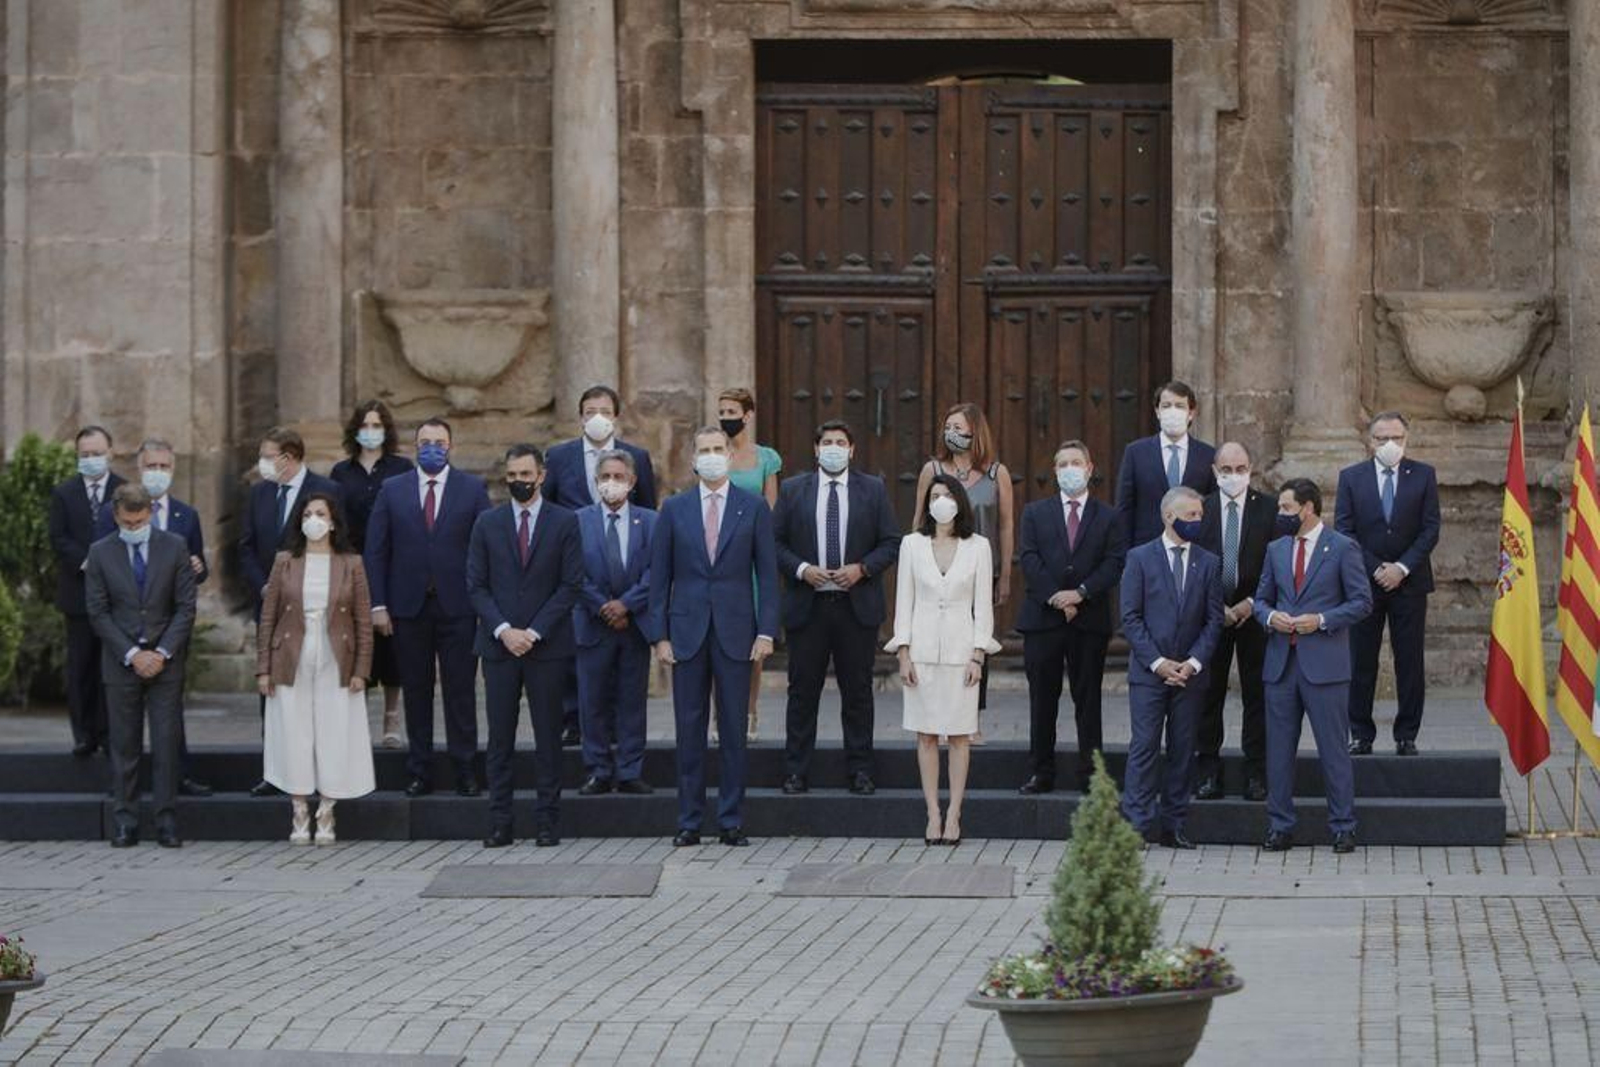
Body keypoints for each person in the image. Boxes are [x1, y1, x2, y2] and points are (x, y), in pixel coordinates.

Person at [645, 426, 778, 848]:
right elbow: (659, 577)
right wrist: (659, 636)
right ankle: (689, 820)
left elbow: (768, 575)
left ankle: (730, 820)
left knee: (734, 730)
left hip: (736, 632)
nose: (712, 456)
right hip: (686, 632)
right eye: (705, 450)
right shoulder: (674, 509)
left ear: (730, 456)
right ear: (693, 459)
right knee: (689, 729)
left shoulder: (753, 507)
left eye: (719, 449)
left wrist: (766, 631)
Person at [772, 420, 901, 795]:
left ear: (852, 449)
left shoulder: (873, 489)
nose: (833, 448)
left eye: (840, 442)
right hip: (807, 606)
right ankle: (796, 771)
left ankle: (860, 770)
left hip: (854, 608)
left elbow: (891, 542)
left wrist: (862, 569)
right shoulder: (793, 490)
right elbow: (774, 541)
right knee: (802, 692)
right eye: (826, 442)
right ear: (816, 449)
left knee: (858, 693)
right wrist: (802, 569)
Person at [365, 417, 491, 798]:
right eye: (425, 442)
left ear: (450, 446)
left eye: (439, 442)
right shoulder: (393, 489)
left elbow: (486, 546)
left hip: (459, 607)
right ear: (414, 445)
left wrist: (483, 601)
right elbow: (376, 550)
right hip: (408, 608)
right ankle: (419, 770)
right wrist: (378, 604)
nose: (432, 448)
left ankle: (465, 769)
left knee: (460, 691)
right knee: (416, 691)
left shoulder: (472, 489)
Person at [468, 445, 584, 848]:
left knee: (549, 738)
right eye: (512, 475)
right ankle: (500, 822)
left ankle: (547, 821)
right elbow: (476, 586)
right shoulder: (487, 523)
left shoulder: (565, 522)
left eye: (525, 474)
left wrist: (533, 632)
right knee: (500, 739)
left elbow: (570, 584)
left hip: (546, 647)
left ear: (541, 476)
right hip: (498, 647)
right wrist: (504, 630)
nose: (518, 481)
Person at [1253, 478, 1372, 853]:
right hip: (1281, 666)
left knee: (1333, 750)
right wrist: (1270, 617)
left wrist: (1320, 620)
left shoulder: (1342, 547)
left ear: (1307, 509)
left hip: (1325, 667)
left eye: (1286, 508)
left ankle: (1343, 826)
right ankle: (1279, 826)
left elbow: (1361, 602)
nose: (1280, 514)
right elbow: (1261, 600)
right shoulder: (1276, 549)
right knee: (1278, 751)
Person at [92, 439, 213, 797]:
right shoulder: (111, 514)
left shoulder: (185, 515)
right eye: (151, 466)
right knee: (124, 724)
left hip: (168, 632)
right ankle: (123, 793)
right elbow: (103, 567)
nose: (157, 472)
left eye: (164, 466)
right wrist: (130, 650)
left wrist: (196, 568)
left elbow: (196, 571)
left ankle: (176, 779)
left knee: (168, 719)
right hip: (125, 635)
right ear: (139, 467)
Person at [886, 475, 1000, 847]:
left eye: (947, 494)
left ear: (959, 500)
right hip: (921, 652)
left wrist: (978, 655)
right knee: (926, 735)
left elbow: (982, 606)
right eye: (935, 495)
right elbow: (904, 600)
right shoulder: (911, 544)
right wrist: (903, 652)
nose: (941, 501)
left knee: (960, 735)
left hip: (961, 652)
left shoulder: (978, 546)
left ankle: (954, 814)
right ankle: (933, 812)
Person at [256, 492, 376, 845]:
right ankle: (298, 808)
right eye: (308, 513)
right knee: (294, 731)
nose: (314, 520)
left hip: (336, 656)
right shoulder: (285, 561)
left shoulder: (351, 563)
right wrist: (264, 669)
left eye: (321, 514)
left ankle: (327, 807)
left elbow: (363, 621)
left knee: (334, 730)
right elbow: (268, 617)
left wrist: (361, 669)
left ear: (333, 522)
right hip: (290, 654)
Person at [543, 385, 658, 747]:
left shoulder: (636, 456)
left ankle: (618, 733)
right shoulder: (559, 456)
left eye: (605, 411)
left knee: (626, 669)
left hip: (627, 578)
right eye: (590, 411)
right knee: (575, 651)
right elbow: (548, 508)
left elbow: (648, 509)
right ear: (580, 416)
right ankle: (573, 721)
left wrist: (631, 599)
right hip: (579, 573)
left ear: (616, 416)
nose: (598, 418)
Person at [84, 484, 197, 848]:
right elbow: (98, 612)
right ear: (116, 517)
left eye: (140, 521)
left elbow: (185, 607)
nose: (134, 527)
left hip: (166, 662)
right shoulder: (100, 553)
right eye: (127, 523)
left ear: (150, 513)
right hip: (121, 664)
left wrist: (161, 652)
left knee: (165, 744)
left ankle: (166, 821)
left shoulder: (175, 546)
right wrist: (133, 654)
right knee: (124, 745)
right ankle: (125, 821)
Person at [1016, 441, 1127, 793]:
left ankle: (1091, 774)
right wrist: (1056, 596)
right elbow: (1029, 558)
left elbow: (1114, 562)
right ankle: (1041, 772)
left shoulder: (1109, 516)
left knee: (1088, 700)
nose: (1069, 469)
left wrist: (1080, 593)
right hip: (1042, 619)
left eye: (1076, 462)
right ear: (1054, 470)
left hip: (1088, 619)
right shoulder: (1034, 513)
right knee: (1042, 700)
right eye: (1062, 464)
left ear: (1089, 468)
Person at [1119, 487, 1224, 849]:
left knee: (1183, 749)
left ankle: (1174, 824)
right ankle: (1136, 825)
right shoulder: (1139, 558)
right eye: (1191, 515)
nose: (1198, 521)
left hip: (1190, 676)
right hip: (1149, 673)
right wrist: (1159, 663)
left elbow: (1214, 620)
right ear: (1169, 516)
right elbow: (1130, 617)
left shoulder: (1208, 562)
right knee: (1144, 747)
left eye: (1200, 515)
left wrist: (1192, 663)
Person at [238, 425, 340, 796]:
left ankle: (317, 771)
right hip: (271, 609)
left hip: (315, 608)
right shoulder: (259, 493)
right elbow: (246, 546)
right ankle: (276, 772)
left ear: (290, 457)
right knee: (274, 692)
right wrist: (264, 586)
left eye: (268, 456)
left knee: (315, 692)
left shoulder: (327, 491)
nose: (262, 463)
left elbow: (342, 545)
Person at [1336, 411, 1441, 756]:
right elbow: (1344, 530)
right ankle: (1360, 734)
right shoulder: (1351, 477)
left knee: (1409, 661)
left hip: (1409, 584)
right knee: (1360, 661)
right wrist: (1377, 568)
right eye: (1382, 438)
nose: (1390, 444)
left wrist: (1402, 568)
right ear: (1371, 441)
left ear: (1406, 439)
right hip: (1365, 585)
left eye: (1396, 437)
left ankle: (1407, 734)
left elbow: (1430, 529)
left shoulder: (1423, 475)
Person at [913, 403, 1014, 734]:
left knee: (975, 643)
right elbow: (919, 519)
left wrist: (1005, 575)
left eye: (958, 427)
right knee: (937, 640)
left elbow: (1005, 525)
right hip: (939, 568)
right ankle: (938, 719)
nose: (951, 433)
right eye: (948, 427)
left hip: (980, 572)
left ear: (975, 431)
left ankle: (971, 720)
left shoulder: (996, 473)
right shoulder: (932, 469)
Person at [1192, 442, 1277, 801]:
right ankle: (1208, 772)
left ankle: (1256, 773)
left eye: (1240, 469)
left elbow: (1276, 564)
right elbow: (1195, 563)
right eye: (1226, 470)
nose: (1233, 475)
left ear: (1251, 469)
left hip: (1255, 615)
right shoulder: (1201, 509)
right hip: (1213, 617)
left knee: (1257, 694)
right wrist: (1218, 608)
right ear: (1215, 471)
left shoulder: (1269, 509)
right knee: (1208, 694)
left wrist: (1250, 604)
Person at [329, 400, 414, 749]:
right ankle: (357, 715)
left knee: (391, 644)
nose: (370, 431)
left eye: (377, 425)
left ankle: (392, 716)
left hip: (392, 566)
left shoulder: (401, 468)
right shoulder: (341, 472)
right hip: (352, 565)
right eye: (365, 425)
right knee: (354, 642)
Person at [573, 450, 657, 796]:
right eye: (605, 477)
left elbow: (656, 570)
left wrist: (626, 605)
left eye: (619, 477)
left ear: (632, 481)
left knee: (631, 701)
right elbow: (573, 572)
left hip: (634, 626)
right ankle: (598, 770)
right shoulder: (578, 521)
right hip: (593, 625)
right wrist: (603, 607)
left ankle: (629, 770)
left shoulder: (650, 521)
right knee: (591, 701)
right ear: (596, 482)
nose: (612, 483)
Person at [49, 425, 124, 759]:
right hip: (78, 592)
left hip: (116, 595)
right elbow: (58, 537)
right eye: (85, 454)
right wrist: (87, 561)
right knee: (80, 667)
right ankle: (83, 735)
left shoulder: (124, 490)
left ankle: (109, 734)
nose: (91, 459)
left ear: (110, 453)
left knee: (110, 668)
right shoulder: (64, 493)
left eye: (97, 453)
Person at [718, 387, 782, 743]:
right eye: (722, 411)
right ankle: (718, 714)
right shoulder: (714, 454)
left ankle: (749, 710)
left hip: (752, 556)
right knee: (716, 636)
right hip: (719, 555)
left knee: (752, 642)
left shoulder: (766, 458)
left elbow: (771, 507)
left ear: (748, 414)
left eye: (732, 411)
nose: (726, 417)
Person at [1114, 380, 1218, 548]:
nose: (1172, 411)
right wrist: (1126, 554)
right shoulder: (1136, 453)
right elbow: (1124, 508)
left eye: (1179, 406)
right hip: (1146, 550)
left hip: (1194, 549)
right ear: (1158, 411)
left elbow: (1213, 509)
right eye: (1166, 405)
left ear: (1191, 413)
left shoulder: (1207, 455)